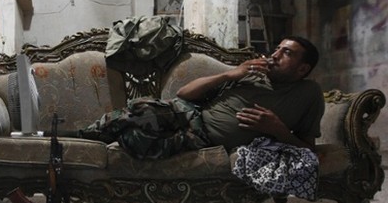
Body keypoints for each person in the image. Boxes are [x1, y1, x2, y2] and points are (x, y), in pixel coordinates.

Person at [81, 36, 324, 158]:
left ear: (302, 69)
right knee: (141, 108)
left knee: (135, 141)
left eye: (286, 53)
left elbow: (309, 150)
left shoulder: (309, 94)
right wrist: (230, 74)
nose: (275, 55)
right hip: (190, 114)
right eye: (277, 49)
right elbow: (183, 94)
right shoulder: (251, 74)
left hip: (202, 139)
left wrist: (277, 129)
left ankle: (100, 137)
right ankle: (83, 136)